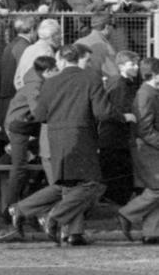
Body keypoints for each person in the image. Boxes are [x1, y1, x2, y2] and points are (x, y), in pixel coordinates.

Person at [27, 43, 117, 246]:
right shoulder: (91, 77)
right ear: (79, 58)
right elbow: (102, 112)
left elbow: (40, 115)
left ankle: (71, 232)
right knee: (93, 184)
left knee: (69, 185)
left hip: (56, 138)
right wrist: (120, 116)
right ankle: (55, 216)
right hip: (82, 137)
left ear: (61, 59)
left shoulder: (51, 81)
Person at [118, 57, 159, 244]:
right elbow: (145, 129)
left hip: (149, 147)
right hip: (146, 148)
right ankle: (127, 213)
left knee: (154, 188)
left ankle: (151, 232)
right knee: (156, 188)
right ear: (155, 75)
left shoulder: (150, 92)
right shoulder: (146, 94)